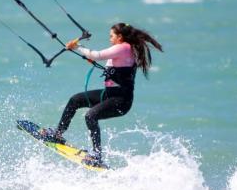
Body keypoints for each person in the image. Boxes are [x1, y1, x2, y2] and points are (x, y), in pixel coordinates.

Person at [40, 22, 163, 166]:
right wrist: (87, 56)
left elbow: (97, 55)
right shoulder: (124, 50)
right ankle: (58, 134)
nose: (109, 38)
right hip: (109, 95)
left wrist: (77, 47)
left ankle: (97, 155)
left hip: (121, 100)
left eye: (112, 36)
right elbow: (105, 63)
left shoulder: (123, 48)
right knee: (75, 100)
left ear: (120, 37)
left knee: (91, 115)